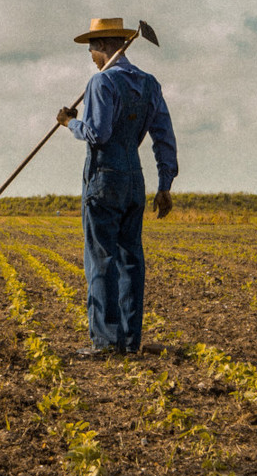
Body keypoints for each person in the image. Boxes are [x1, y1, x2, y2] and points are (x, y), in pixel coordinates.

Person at [57, 18, 177, 357]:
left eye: (92, 49)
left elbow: (97, 134)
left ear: (106, 46)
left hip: (103, 178)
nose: (91, 56)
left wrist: (70, 123)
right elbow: (164, 136)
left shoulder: (101, 81)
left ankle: (105, 342)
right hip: (135, 181)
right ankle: (129, 341)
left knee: (100, 260)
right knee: (130, 260)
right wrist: (165, 184)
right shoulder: (149, 84)